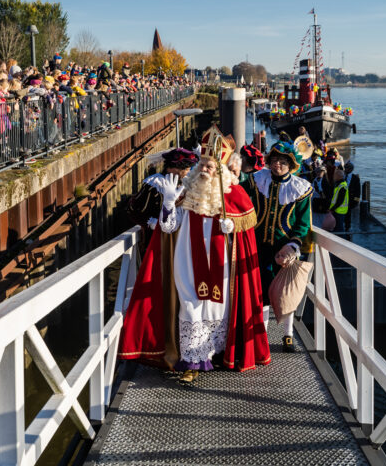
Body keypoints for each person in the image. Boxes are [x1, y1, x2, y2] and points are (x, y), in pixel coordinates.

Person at [158, 127, 269, 380]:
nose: (206, 169)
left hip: (222, 264)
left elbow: (248, 225)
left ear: (220, 170)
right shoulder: (186, 192)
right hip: (187, 261)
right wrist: (167, 204)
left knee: (218, 309)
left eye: (211, 166)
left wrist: (232, 228)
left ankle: (215, 354)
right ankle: (192, 363)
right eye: (203, 165)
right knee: (189, 305)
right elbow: (169, 227)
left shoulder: (233, 194)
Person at [119, 148, 200, 370]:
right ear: (170, 167)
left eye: (187, 167)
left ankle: (186, 346)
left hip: (184, 247)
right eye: (181, 167)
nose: (185, 171)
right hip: (158, 246)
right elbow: (134, 210)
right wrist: (150, 223)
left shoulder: (192, 185)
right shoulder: (155, 184)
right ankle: (157, 345)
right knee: (158, 290)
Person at [240, 141, 312, 353]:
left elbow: (303, 223)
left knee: (286, 293)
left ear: (291, 164)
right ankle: (261, 335)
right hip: (259, 247)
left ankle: (288, 335)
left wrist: (292, 246)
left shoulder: (300, 189)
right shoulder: (257, 180)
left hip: (285, 249)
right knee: (261, 292)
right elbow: (236, 194)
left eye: (282, 162)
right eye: (273, 161)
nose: (277, 165)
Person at [329, 168, 349, 232]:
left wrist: (332, 209)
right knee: (336, 228)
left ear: (339, 176)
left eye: (335, 175)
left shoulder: (342, 186)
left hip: (340, 211)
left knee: (339, 229)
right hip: (337, 210)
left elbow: (340, 200)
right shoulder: (339, 184)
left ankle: (343, 240)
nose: (333, 176)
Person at [345, 161, 361, 230]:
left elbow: (358, 191)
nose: (346, 169)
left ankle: (347, 228)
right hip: (341, 199)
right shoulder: (341, 175)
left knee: (348, 216)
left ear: (351, 169)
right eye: (345, 167)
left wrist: (355, 202)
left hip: (350, 201)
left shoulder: (355, 178)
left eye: (348, 168)